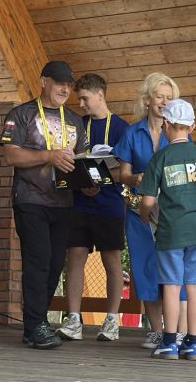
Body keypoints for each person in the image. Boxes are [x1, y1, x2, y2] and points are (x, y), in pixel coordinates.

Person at [0, 60, 88, 350]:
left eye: (69, 84)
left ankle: (34, 324)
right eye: (60, 82)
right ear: (43, 81)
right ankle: (36, 324)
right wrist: (49, 156)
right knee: (37, 262)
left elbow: (82, 161)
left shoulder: (75, 120)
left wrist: (91, 181)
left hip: (63, 202)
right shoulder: (21, 114)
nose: (65, 88)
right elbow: (11, 156)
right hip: (31, 199)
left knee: (53, 265)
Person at [137, 99, 196, 360]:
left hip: (171, 231)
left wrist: (145, 216)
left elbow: (147, 201)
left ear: (166, 124)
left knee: (171, 286)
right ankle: (192, 343)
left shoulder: (161, 157)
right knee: (194, 286)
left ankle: (168, 343)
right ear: (192, 126)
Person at [112, 72, 188, 349]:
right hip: (138, 212)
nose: (165, 102)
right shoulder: (132, 132)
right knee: (145, 270)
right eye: (160, 97)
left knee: (174, 269)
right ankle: (156, 330)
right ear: (147, 100)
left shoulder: (180, 131)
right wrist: (138, 179)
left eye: (170, 98)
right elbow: (123, 174)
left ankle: (177, 331)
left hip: (171, 213)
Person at [55, 73, 129, 342]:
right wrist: (81, 183)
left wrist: (101, 180)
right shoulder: (76, 124)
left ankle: (111, 320)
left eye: (85, 98)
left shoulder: (122, 128)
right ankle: (73, 319)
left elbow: (126, 169)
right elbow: (69, 162)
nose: (82, 104)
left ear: (100, 95)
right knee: (74, 258)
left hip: (109, 204)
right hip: (80, 203)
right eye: (79, 99)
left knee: (112, 262)